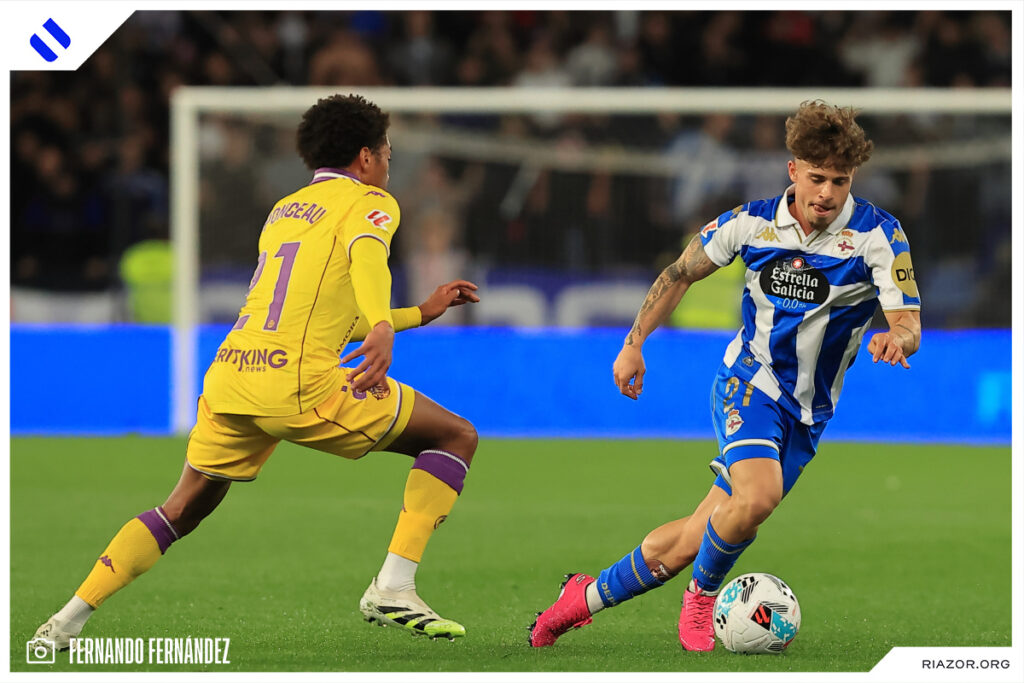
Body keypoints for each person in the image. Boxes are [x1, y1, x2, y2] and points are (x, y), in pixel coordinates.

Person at [35, 94, 482, 649]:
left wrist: (417, 314)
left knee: (180, 509)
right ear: (365, 157)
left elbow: (316, 317)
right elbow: (369, 257)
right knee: (454, 436)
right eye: (387, 153)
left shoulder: (286, 210)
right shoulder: (371, 202)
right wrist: (382, 326)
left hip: (232, 375)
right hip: (297, 384)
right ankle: (393, 586)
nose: (389, 165)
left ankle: (65, 622)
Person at [529, 100, 921, 651]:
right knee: (758, 498)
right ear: (793, 170)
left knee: (695, 537)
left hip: (808, 412)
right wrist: (633, 343)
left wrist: (895, 337)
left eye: (840, 180)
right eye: (817, 178)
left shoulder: (879, 234)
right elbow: (678, 273)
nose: (827, 193)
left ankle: (580, 599)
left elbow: (908, 321)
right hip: (748, 382)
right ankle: (701, 601)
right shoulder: (750, 222)